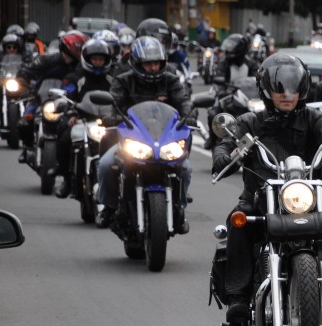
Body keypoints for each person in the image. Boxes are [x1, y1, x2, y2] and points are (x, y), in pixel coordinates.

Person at [212, 53, 322, 326]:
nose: (287, 94)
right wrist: (229, 154)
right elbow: (224, 147)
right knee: (239, 220)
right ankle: (238, 298)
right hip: (260, 197)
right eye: (280, 87)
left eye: (294, 87)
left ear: (303, 89)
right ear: (267, 89)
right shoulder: (250, 122)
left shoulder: (314, 119)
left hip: (305, 197)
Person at [95, 36, 191, 231]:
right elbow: (111, 103)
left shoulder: (171, 80)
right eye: (148, 64)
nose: (153, 67)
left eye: (156, 63)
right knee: (105, 165)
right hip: (133, 138)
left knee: (186, 168)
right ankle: (109, 207)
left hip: (163, 139)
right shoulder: (123, 81)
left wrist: (191, 115)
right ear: (137, 63)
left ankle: (179, 207)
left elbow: (184, 101)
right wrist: (110, 117)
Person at [53, 38, 114, 199]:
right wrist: (70, 111)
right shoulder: (76, 78)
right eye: (95, 59)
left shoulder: (113, 80)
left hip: (108, 122)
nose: (98, 62)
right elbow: (67, 95)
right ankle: (66, 178)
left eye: (101, 59)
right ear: (87, 59)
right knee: (65, 137)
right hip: (82, 118)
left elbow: (120, 99)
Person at [16, 30, 86, 161]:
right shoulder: (48, 59)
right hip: (41, 98)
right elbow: (28, 69)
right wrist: (22, 79)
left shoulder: (82, 66)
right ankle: (28, 148)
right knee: (23, 123)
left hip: (68, 102)